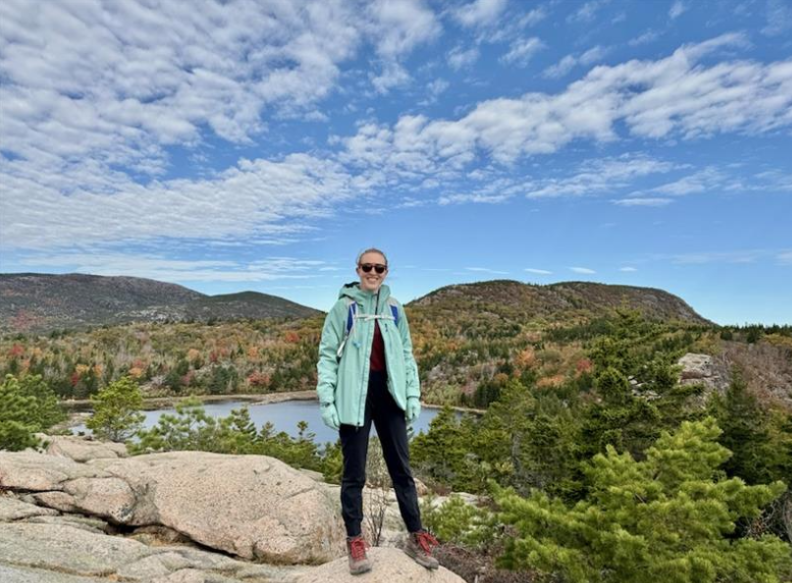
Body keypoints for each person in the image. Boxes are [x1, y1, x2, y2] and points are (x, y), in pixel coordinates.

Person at [316, 248, 439, 574]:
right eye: (367, 267)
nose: (373, 272)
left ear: (386, 272)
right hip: (354, 396)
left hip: (389, 393)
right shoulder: (343, 309)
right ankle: (355, 542)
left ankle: (416, 537)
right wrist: (327, 399)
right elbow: (327, 356)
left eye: (379, 268)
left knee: (402, 471)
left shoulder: (395, 309)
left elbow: (407, 355)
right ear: (357, 269)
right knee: (354, 473)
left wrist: (412, 395)